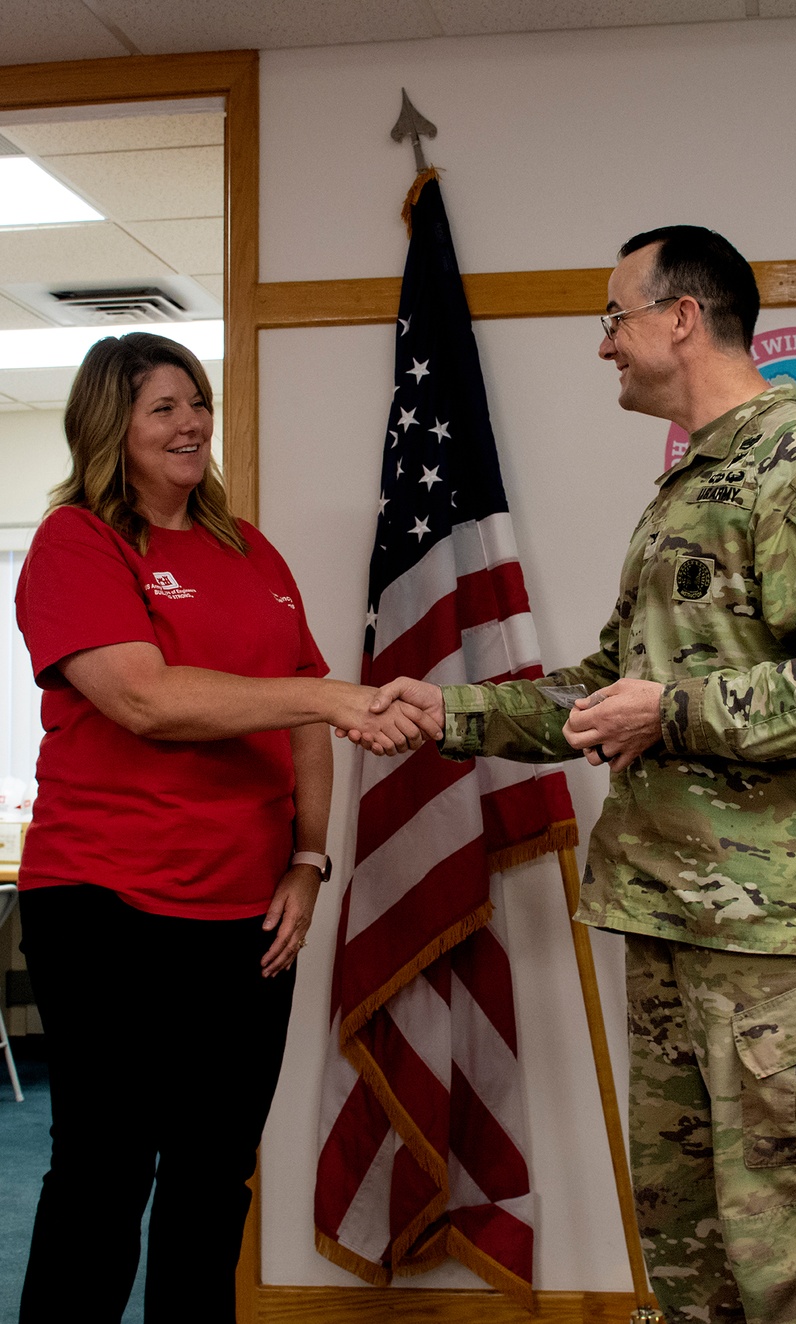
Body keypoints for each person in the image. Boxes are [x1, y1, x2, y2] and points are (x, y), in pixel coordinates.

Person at [357, 227, 796, 1324]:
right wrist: (451, 711)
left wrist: (677, 710)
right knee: (691, 1247)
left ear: (681, 317)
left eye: (613, 316)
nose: (602, 344)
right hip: (671, 915)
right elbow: (608, 689)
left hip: (778, 941)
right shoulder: (684, 489)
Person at [14, 331, 439, 1324]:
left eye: (196, 402)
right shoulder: (78, 541)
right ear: (108, 425)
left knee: (213, 1179)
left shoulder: (250, 551)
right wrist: (332, 695)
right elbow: (145, 701)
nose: (190, 423)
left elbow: (306, 720)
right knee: (104, 1176)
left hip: (247, 919)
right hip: (105, 907)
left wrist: (307, 858)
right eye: (161, 406)